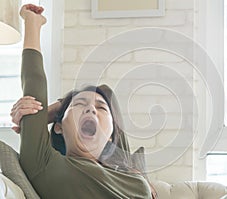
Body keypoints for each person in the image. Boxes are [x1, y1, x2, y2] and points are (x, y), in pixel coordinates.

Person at [16, 4, 156, 198]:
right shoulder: (45, 163)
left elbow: (108, 93)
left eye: (101, 108)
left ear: (111, 135)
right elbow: (35, 81)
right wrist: (32, 22)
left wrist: (60, 110)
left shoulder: (135, 183)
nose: (91, 108)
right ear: (58, 127)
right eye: (80, 104)